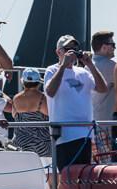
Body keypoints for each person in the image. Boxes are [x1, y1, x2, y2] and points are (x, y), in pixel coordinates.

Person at [44, 35, 109, 170]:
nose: (72, 52)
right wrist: (63, 67)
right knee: (66, 177)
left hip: (84, 134)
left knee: (83, 176)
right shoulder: (52, 70)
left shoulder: (83, 73)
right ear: (59, 52)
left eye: (75, 49)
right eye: (68, 49)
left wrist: (90, 64)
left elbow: (103, 88)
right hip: (64, 136)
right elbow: (50, 92)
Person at [10, 68, 51, 157]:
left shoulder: (16, 98)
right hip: (42, 147)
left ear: (23, 82)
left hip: (21, 145)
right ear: (38, 82)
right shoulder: (43, 98)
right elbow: (52, 117)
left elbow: (14, 115)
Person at [90, 30, 116, 124]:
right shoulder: (111, 66)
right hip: (106, 123)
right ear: (104, 47)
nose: (115, 48)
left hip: (91, 121)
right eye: (113, 45)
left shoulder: (87, 67)